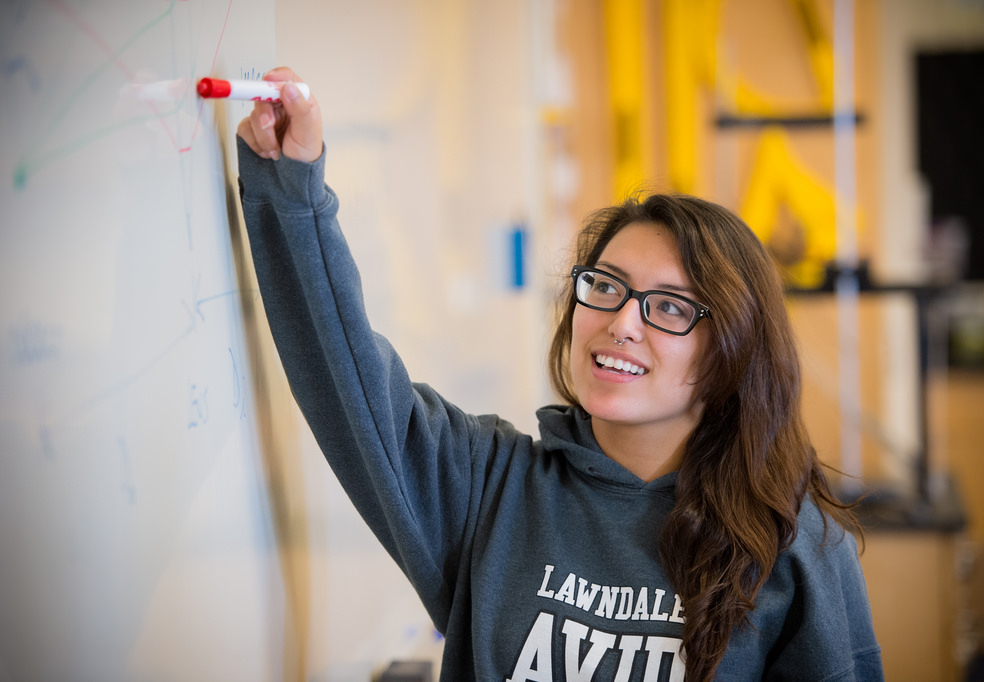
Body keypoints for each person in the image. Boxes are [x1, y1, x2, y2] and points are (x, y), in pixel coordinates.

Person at [236, 67, 883, 681]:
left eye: (668, 307)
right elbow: (343, 375)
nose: (622, 323)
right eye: (605, 286)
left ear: (731, 351)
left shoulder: (796, 544)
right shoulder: (488, 488)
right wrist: (292, 190)